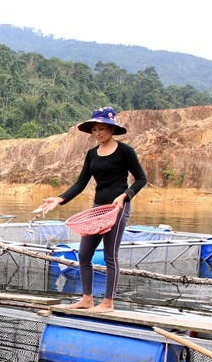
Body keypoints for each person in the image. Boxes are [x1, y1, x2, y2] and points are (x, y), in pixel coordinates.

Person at [35, 107, 147, 312]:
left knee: (110, 256)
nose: (97, 133)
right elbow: (80, 183)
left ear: (112, 129)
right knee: (84, 253)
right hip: (98, 209)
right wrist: (59, 199)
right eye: (94, 129)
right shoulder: (91, 154)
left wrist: (125, 196)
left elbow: (141, 179)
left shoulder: (125, 151)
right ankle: (87, 299)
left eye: (102, 129)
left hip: (117, 209)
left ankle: (108, 303)